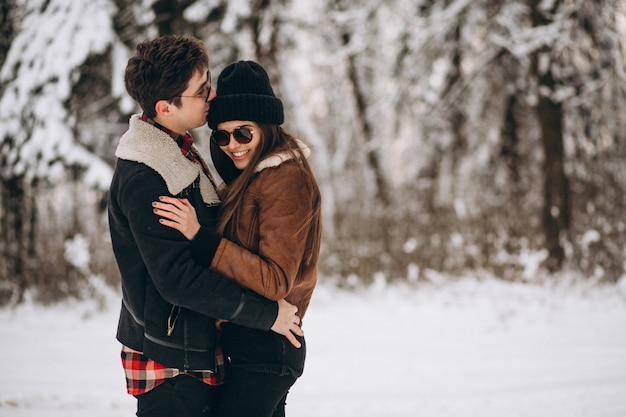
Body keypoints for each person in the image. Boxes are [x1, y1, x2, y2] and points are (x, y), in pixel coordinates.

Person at [108, 36, 303, 417]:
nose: (212, 96)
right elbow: (177, 280)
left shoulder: (179, 149)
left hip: (197, 348)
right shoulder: (147, 175)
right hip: (171, 362)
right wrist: (266, 315)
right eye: (201, 91)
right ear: (165, 106)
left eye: (208, 81)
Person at [152, 60, 322, 417]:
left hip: (268, 348)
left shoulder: (285, 179)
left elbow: (276, 280)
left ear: (266, 127)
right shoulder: (251, 181)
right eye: (222, 135)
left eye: (243, 133)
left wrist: (201, 237)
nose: (232, 145)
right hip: (253, 345)